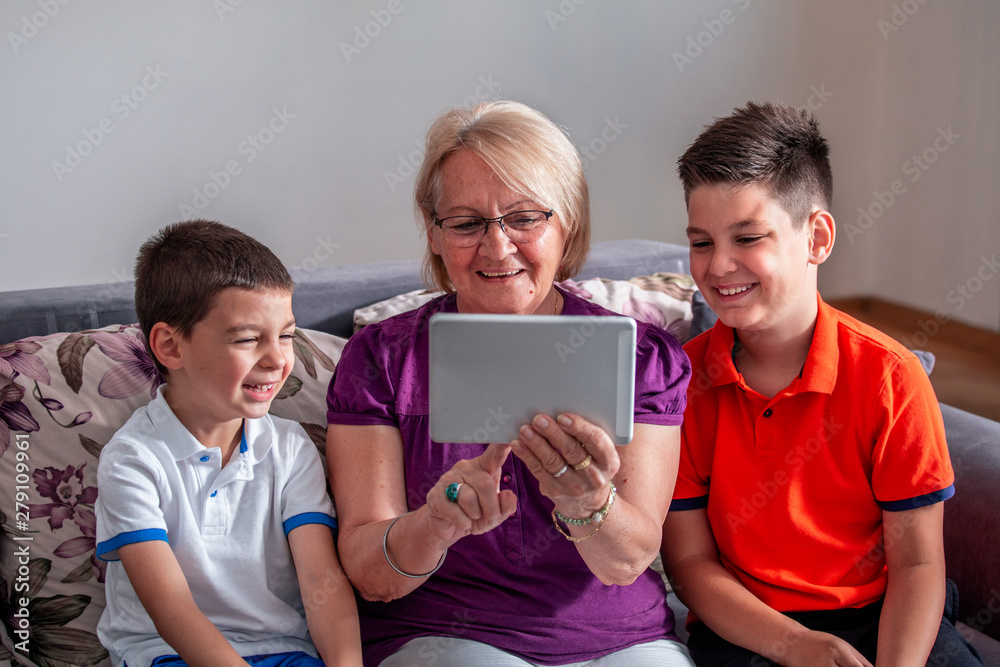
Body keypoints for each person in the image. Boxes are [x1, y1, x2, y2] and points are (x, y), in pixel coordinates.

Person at [326, 100, 694, 667]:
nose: (497, 248)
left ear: (565, 224)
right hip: (444, 636)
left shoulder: (644, 358)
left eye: (524, 218)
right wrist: (435, 523)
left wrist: (588, 499)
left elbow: (625, 562)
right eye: (468, 223)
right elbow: (371, 576)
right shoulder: (381, 359)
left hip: (621, 641)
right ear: (434, 234)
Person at [661, 102, 983, 666]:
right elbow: (690, 566)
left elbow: (919, 563)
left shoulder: (891, 376)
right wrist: (796, 645)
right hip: (746, 626)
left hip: (882, 612)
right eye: (702, 242)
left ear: (817, 239)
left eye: (747, 238)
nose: (717, 267)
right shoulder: (680, 385)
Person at [95, 220, 363, 667]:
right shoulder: (132, 460)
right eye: (247, 339)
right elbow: (172, 608)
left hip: (286, 652)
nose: (278, 360)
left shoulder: (291, 448)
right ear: (170, 347)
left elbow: (321, 580)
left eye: (285, 335)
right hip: (171, 655)